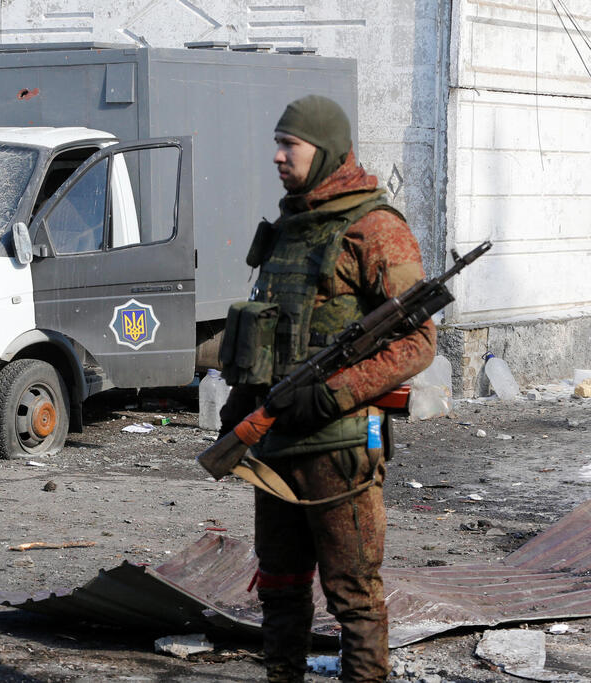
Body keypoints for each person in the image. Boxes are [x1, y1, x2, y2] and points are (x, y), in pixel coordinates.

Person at [217, 96, 435, 682]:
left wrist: (333, 395)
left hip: (339, 446)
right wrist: (243, 404)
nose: (277, 156)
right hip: (276, 442)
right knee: (281, 588)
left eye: (290, 145)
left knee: (353, 596)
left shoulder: (375, 229)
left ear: (327, 150)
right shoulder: (291, 226)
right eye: (277, 143)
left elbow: (418, 343)